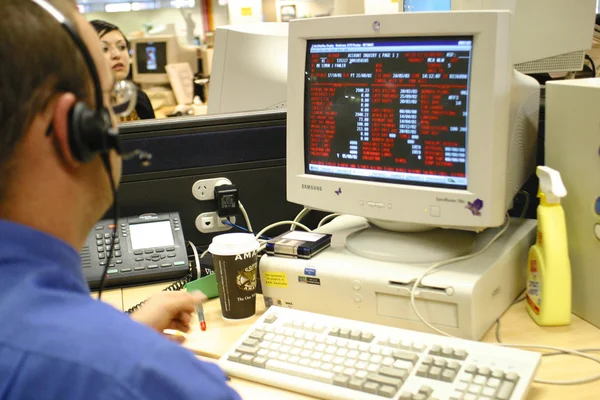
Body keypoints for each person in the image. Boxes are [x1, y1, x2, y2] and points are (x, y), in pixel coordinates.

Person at [0, 1, 241, 399]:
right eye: (112, 100)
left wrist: (120, 332)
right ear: (75, 131)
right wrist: (128, 355)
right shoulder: (141, 379)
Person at [90, 19, 156, 122]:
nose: (117, 55)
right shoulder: (85, 111)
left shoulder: (138, 99)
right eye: (104, 49)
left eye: (122, 47)